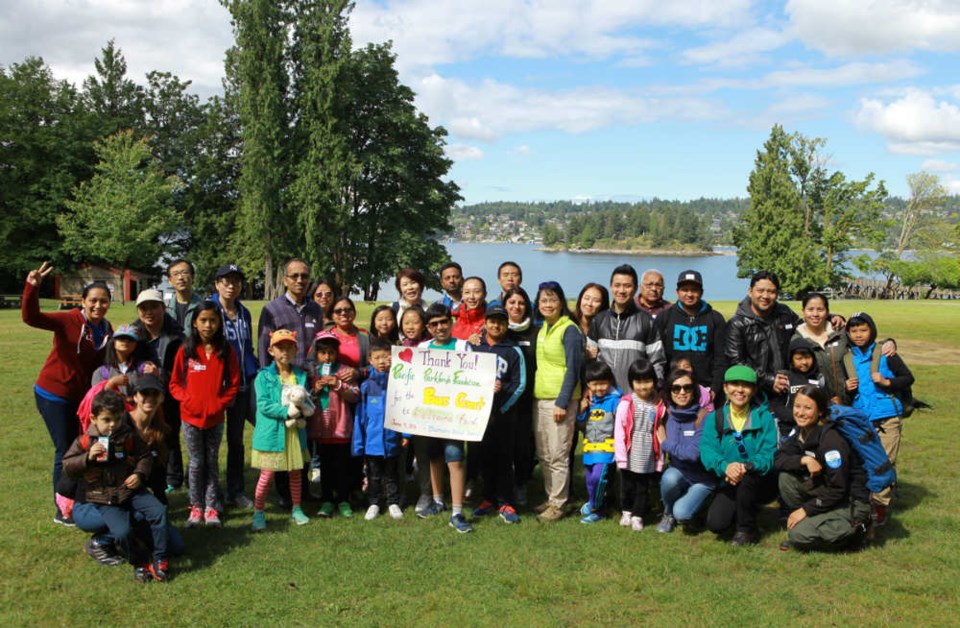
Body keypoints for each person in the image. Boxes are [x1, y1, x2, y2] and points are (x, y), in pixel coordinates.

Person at [22, 261, 113, 523]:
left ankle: (83, 497)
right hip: (54, 394)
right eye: (93, 301)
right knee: (65, 450)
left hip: (80, 399)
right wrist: (32, 287)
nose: (98, 306)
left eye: (103, 301)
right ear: (83, 301)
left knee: (84, 447)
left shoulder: (105, 329)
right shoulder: (69, 320)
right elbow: (31, 317)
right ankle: (62, 509)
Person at [62, 390, 169, 583]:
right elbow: (68, 465)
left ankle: (160, 558)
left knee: (159, 512)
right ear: (94, 418)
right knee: (122, 532)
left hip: (131, 491)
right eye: (107, 419)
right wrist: (86, 458)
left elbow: (145, 457)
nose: (113, 425)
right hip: (105, 499)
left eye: (118, 419)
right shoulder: (84, 441)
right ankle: (140, 563)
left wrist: (139, 474)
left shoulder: (128, 436)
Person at [257, 259, 324, 506]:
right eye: (294, 276)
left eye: (304, 276)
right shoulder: (272, 309)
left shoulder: (316, 309)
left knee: (303, 437)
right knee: (283, 434)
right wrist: (271, 379)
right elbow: (264, 349)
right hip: (281, 382)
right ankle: (285, 494)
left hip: (306, 381)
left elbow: (318, 345)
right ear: (285, 279)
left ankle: (302, 491)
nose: (299, 280)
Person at [168, 301, 240, 528]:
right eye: (203, 320)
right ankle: (195, 506)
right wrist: (187, 400)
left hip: (215, 418)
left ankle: (211, 508)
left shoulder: (225, 350)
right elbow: (174, 384)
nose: (208, 325)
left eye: (212, 320)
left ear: (219, 323)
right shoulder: (186, 350)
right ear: (195, 323)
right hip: (190, 418)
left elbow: (234, 383)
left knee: (211, 461)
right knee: (196, 462)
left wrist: (221, 404)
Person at [774, 385, 870, 551]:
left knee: (798, 535)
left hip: (850, 501)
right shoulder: (801, 431)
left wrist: (805, 509)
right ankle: (816, 521)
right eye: (797, 406)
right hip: (828, 493)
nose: (800, 413)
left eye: (808, 408)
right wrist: (804, 460)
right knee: (786, 477)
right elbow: (778, 459)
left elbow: (839, 488)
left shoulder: (831, 441)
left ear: (820, 411)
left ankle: (857, 531)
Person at [844, 312, 914, 526]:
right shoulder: (846, 357)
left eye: (863, 330)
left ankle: (879, 506)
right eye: (854, 331)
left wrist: (886, 382)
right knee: (864, 461)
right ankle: (863, 502)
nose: (858, 335)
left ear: (872, 330)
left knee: (885, 462)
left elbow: (908, 378)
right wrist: (847, 389)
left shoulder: (885, 353)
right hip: (861, 417)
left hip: (887, 417)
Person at [699, 365, 778, 546]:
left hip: (758, 478)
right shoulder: (715, 418)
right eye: (734, 384)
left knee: (747, 481)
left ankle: (746, 530)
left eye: (746, 385)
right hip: (728, 478)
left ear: (754, 390)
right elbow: (707, 450)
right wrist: (725, 466)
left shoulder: (764, 417)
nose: (740, 390)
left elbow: (769, 452)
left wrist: (746, 467)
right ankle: (745, 511)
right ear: (726, 388)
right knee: (716, 524)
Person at [416, 303, 474, 533]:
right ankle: (439, 501)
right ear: (428, 328)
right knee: (434, 457)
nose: (439, 327)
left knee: (455, 458)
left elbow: (473, 377)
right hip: (430, 414)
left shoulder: (462, 346)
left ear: (451, 322)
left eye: (443, 322)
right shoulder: (423, 347)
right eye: (434, 324)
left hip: (455, 415)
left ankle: (457, 511)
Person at [251, 329, 314, 530]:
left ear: (296, 349)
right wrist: (288, 412)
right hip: (273, 432)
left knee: (296, 472)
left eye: (289, 346)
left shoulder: (301, 376)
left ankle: (296, 508)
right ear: (271, 350)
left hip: (294, 433)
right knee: (267, 474)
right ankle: (258, 511)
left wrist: (305, 411)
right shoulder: (263, 377)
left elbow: (306, 399)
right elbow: (264, 404)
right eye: (280, 347)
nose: (285, 351)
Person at [532, 281, 583, 522]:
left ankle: (559, 503)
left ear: (561, 302)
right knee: (544, 453)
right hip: (540, 398)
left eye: (552, 300)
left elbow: (573, 369)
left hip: (560, 401)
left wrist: (562, 402)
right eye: (543, 300)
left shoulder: (569, 329)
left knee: (558, 453)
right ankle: (550, 498)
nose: (548, 304)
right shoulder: (543, 328)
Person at [471, 305, 526, 524]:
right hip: (478, 414)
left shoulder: (513, 350)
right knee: (484, 456)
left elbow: (519, 384)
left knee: (504, 458)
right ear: (485, 323)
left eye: (501, 322)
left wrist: (501, 407)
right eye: (492, 321)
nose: (496, 325)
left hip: (504, 415)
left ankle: (505, 501)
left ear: (507, 324)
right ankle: (487, 498)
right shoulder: (474, 346)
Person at [211, 264, 259, 510]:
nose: (232, 286)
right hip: (215, 389)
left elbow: (247, 348)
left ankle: (235, 490)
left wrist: (254, 372)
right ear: (217, 284)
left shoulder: (243, 312)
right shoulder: (209, 310)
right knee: (211, 442)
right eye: (227, 281)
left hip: (241, 386)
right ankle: (210, 495)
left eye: (236, 281)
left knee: (236, 440)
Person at [131, 288, 185, 493]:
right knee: (143, 435)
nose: (149, 312)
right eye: (143, 308)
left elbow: (182, 371)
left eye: (154, 306)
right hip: (142, 395)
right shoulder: (133, 334)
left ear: (163, 308)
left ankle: (173, 478)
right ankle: (145, 474)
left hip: (169, 392)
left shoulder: (176, 335)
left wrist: (160, 374)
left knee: (169, 434)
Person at [587, 264, 666, 392]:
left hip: (636, 398)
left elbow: (657, 362)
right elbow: (589, 361)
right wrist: (588, 389)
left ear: (635, 289)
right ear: (611, 287)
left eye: (627, 286)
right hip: (603, 398)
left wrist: (656, 389)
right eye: (617, 285)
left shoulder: (647, 321)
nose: (622, 290)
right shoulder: (599, 320)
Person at [307, 331, 360, 518]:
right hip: (321, 429)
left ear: (337, 353)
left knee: (342, 466)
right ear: (317, 354)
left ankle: (344, 500)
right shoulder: (313, 373)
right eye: (323, 353)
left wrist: (339, 385)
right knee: (325, 466)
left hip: (341, 428)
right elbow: (305, 400)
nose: (327, 357)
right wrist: (315, 390)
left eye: (331, 352)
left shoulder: (344, 371)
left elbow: (355, 395)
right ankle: (327, 499)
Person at [352, 337, 407, 521]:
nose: (382, 362)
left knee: (392, 475)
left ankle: (393, 502)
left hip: (392, 440)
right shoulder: (367, 386)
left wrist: (405, 434)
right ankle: (374, 503)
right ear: (370, 360)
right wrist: (359, 444)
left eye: (386, 357)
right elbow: (361, 416)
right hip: (372, 443)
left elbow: (403, 410)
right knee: (373, 475)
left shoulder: (398, 383)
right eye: (378, 358)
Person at [657, 368, 716, 533]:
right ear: (670, 391)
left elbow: (693, 454)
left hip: (702, 479)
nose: (682, 392)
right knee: (669, 479)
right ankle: (667, 513)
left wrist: (665, 443)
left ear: (694, 390)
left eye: (687, 387)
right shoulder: (666, 415)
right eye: (676, 388)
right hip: (678, 473)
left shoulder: (706, 417)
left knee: (682, 514)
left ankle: (702, 505)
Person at [654, 270, 727, 396]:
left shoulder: (715, 319)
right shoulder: (665, 317)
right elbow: (658, 356)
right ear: (677, 292)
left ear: (701, 292)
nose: (689, 294)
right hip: (673, 389)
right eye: (685, 290)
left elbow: (720, 358)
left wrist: (715, 388)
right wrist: (661, 386)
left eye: (694, 290)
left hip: (705, 389)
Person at [614, 358, 666, 531]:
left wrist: (660, 459)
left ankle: (638, 515)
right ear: (631, 383)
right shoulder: (626, 403)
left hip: (647, 453)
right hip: (629, 452)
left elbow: (659, 431)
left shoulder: (658, 405)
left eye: (647, 381)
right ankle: (626, 511)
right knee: (627, 485)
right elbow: (620, 431)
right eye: (638, 382)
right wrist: (621, 457)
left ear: (654, 381)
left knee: (643, 487)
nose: (643, 386)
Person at [577, 360, 621, 524]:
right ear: (588, 384)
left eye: (603, 383)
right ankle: (594, 504)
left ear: (610, 381)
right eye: (595, 384)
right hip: (589, 451)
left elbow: (621, 425)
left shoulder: (616, 401)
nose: (599, 388)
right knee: (589, 482)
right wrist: (582, 410)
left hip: (606, 452)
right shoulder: (589, 400)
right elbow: (581, 424)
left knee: (598, 479)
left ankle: (597, 509)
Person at [504, 287, 537, 506]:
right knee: (504, 444)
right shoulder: (497, 329)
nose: (516, 307)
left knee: (524, 445)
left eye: (521, 303)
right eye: (512, 302)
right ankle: (501, 485)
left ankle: (521, 484)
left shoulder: (537, 332)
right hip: (504, 398)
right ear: (505, 305)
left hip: (529, 398)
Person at [771, 337, 825, 439]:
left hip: (815, 430)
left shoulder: (819, 377)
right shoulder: (785, 378)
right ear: (792, 359)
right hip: (789, 431)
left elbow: (824, 402)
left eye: (808, 357)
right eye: (799, 359)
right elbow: (777, 406)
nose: (804, 362)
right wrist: (799, 416)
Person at [91, 324, 158, 399]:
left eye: (130, 340)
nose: (126, 342)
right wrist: (111, 383)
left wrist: (156, 375)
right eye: (121, 338)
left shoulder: (144, 368)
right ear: (114, 343)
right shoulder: (101, 372)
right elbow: (96, 399)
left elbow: (152, 394)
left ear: (135, 345)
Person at [166, 258, 203, 337]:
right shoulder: (164, 307)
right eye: (175, 274)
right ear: (169, 280)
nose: (180, 278)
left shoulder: (203, 306)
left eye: (185, 273)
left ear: (193, 277)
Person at [452, 276, 486, 342]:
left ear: (484, 294)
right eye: (467, 292)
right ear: (462, 294)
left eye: (477, 292)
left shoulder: (490, 320)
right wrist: (467, 342)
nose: (471, 297)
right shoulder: (452, 318)